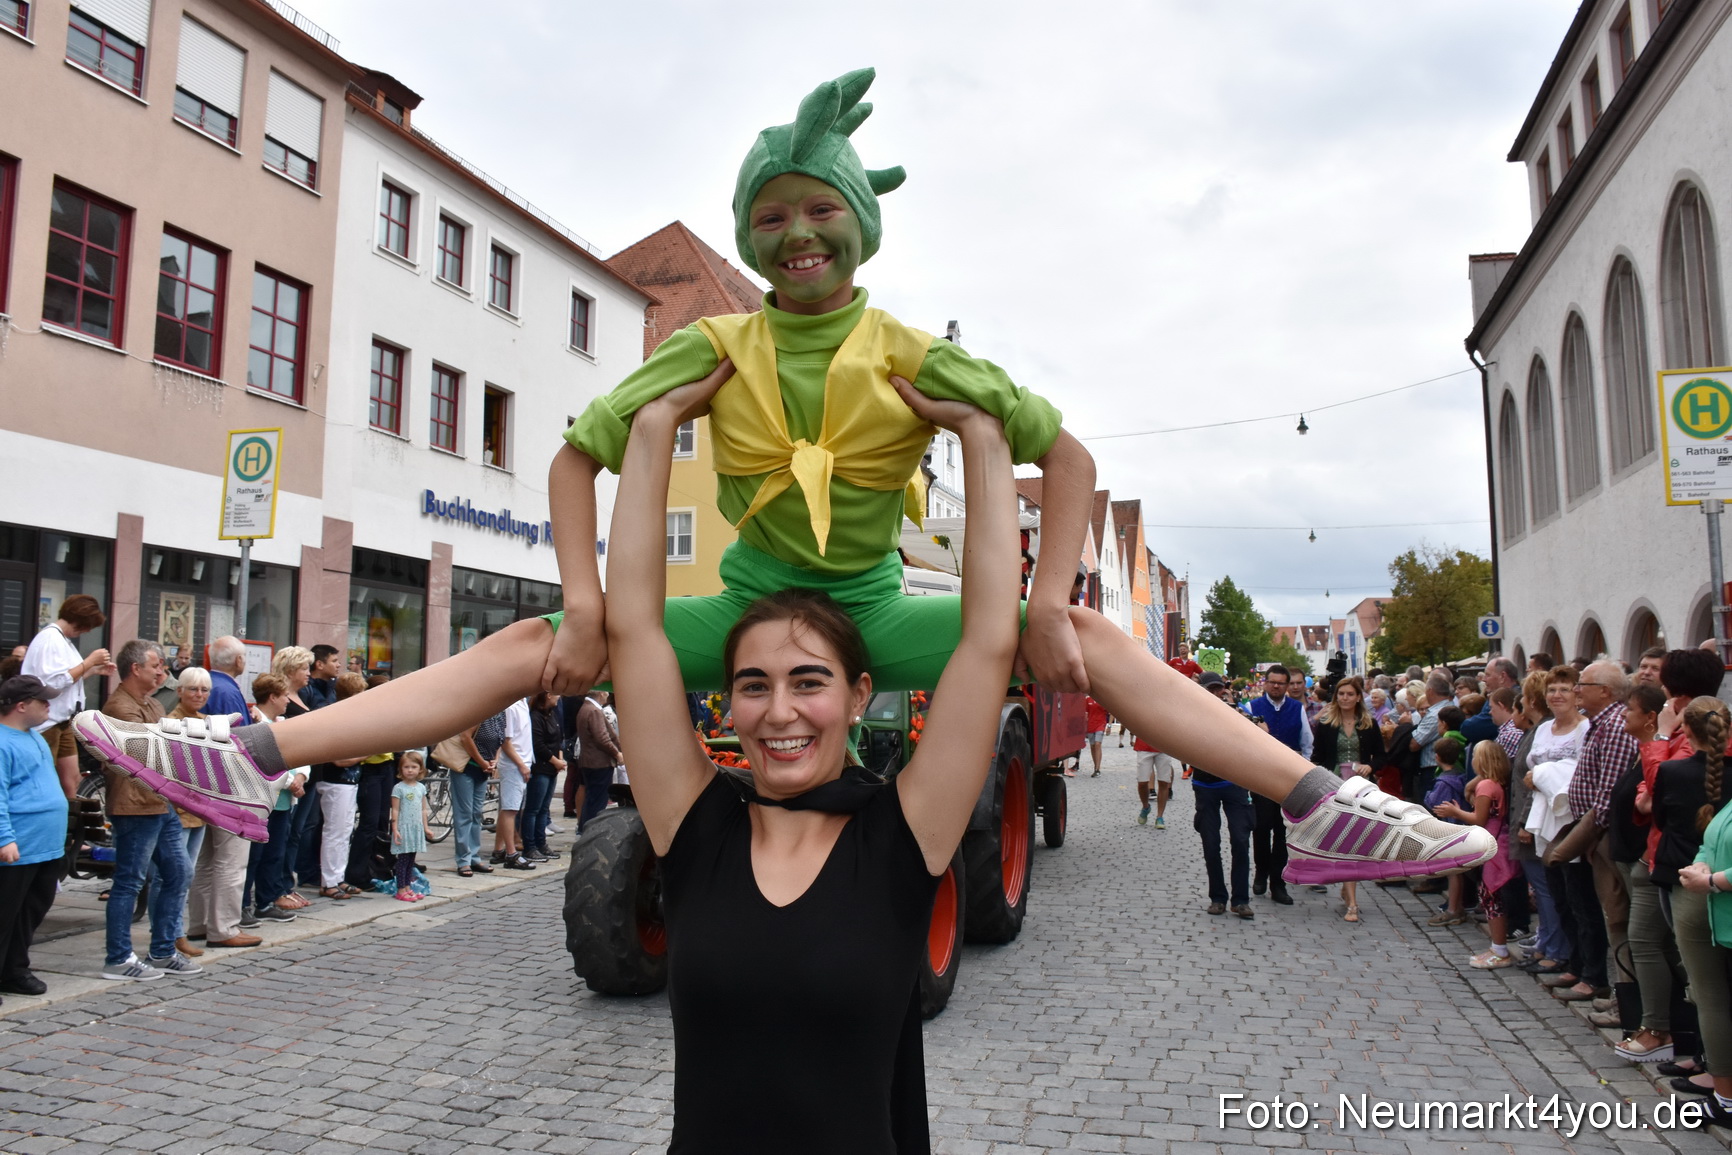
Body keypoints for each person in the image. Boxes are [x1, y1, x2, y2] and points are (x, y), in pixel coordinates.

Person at [77, 67, 1492, 893]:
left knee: (1095, 643)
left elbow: (1074, 454)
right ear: (752, 240)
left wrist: (1059, 586)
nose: (797, 234)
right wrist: (582, 593)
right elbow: (573, 453)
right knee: (528, 642)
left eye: (821, 213)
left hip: (875, 611)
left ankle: (1321, 801)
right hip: (752, 608)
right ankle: (246, 756)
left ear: (860, 230)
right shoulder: (718, 344)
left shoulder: (910, 353)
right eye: (773, 219)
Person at [602, 335, 1023, 1153]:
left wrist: (979, 437)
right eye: (754, 684)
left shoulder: (904, 836)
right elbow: (633, 628)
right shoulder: (695, 830)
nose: (779, 711)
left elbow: (987, 639)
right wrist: (654, 429)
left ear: (860, 695)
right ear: (727, 702)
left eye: (809, 681)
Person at [98, 641, 198, 981]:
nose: (162, 671)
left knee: (178, 873)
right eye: (156, 665)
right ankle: (118, 957)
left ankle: (163, 950)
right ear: (135, 668)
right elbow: (150, 748)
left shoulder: (153, 703)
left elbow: (170, 745)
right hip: (135, 806)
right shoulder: (119, 707)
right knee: (129, 881)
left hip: (159, 802)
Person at [1670, 698, 1732, 1122]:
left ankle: (1726, 1098)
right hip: (1716, 912)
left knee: (1712, 998)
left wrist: (1710, 880)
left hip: (1715, 904)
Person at [0, 676, 71, 1001]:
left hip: (46, 844)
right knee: (5, 913)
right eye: (43, 701)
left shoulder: (36, 738)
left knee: (31, 911)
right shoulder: (3, 742)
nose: (49, 705)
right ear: (21, 705)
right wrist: (4, 838)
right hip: (20, 844)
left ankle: (15, 969)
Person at [1435, 741, 1518, 967]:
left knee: (1491, 899)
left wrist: (1455, 812)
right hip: (1495, 844)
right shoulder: (1493, 783)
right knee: (1490, 898)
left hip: (1491, 848)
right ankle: (1496, 947)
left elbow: (1479, 819)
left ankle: (1500, 950)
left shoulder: (1486, 786)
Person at [21, 595, 113, 796]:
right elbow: (53, 683)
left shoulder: (60, 640)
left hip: (61, 721)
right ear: (80, 620)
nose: (88, 631)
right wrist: (89, 663)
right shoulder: (51, 639)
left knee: (72, 780)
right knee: (44, 780)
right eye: (88, 625)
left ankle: (68, 821)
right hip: (48, 722)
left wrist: (93, 670)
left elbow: (64, 680)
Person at [1311, 676, 1384, 922]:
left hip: (1361, 787)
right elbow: (1317, 757)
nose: (1345, 698)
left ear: (1358, 697)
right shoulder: (1326, 724)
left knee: (1357, 840)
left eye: (1349, 694)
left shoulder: (1368, 724)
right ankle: (1352, 901)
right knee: (1344, 840)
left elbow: (1382, 757)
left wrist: (1369, 766)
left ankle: (1348, 888)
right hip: (1335, 786)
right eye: (1341, 694)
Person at [1194, 672, 1256, 918]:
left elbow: (1258, 732)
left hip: (1234, 782)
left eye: (1219, 689)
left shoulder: (1237, 711)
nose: (1216, 694)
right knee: (1211, 843)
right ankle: (1218, 897)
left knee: (1240, 840)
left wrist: (1235, 709)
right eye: (1211, 689)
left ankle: (1240, 900)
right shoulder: (1193, 713)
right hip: (1205, 784)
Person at [243, 673, 304, 923]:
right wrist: (292, 781)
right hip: (264, 801)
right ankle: (244, 903)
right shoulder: (258, 726)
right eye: (284, 696)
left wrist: (300, 776)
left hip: (280, 802)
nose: (288, 701)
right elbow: (266, 762)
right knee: (255, 855)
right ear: (272, 697)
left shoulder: (279, 722)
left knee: (274, 853)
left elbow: (299, 753)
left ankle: (266, 900)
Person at [1246, 665, 1310, 905]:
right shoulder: (1253, 708)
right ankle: (1261, 872)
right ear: (1265, 683)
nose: (1276, 686)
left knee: (1284, 831)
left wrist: (1302, 772)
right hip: (1262, 775)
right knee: (1261, 827)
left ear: (1286, 685)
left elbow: (1306, 742)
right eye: (1272, 682)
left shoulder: (1297, 708)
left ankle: (1278, 882)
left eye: (1280, 683)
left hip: (1289, 778)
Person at [453, 712, 504, 877]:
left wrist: (494, 760)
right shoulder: (480, 711)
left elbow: (501, 741)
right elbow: (465, 737)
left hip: (483, 770)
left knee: (476, 813)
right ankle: (463, 860)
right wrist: (482, 762)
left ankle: (474, 857)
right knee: (464, 814)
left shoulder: (501, 714)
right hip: (466, 767)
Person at [491, 695, 536, 870]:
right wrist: (521, 765)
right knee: (510, 809)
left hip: (522, 762)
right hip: (514, 765)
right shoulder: (510, 707)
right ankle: (511, 854)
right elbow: (506, 742)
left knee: (509, 808)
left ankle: (499, 850)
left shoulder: (522, 703)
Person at [572, 690, 623, 830]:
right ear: (600, 694)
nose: (608, 694)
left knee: (592, 798)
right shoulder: (593, 711)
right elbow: (602, 738)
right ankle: (589, 829)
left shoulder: (588, 708)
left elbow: (608, 735)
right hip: (598, 762)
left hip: (590, 761)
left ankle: (583, 828)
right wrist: (617, 753)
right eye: (606, 692)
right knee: (597, 801)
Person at [523, 693, 565, 861]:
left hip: (552, 768)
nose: (559, 697)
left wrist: (559, 760)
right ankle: (530, 846)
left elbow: (559, 738)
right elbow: (538, 745)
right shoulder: (535, 717)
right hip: (541, 768)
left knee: (543, 808)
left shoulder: (551, 714)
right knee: (533, 809)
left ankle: (541, 844)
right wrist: (555, 761)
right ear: (547, 696)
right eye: (555, 694)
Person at [390, 752, 432, 902]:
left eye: (413, 767)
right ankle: (401, 888)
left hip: (416, 827)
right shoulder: (398, 788)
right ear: (401, 769)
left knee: (410, 860)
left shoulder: (421, 788)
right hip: (404, 827)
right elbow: (395, 809)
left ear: (420, 769)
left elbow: (423, 809)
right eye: (406, 767)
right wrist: (395, 828)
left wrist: (426, 828)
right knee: (402, 860)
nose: (410, 770)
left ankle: (408, 886)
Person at [1131, 731, 1176, 829]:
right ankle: (1146, 806)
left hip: (1164, 746)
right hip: (1144, 746)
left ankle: (1159, 816)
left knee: (1163, 782)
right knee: (1142, 782)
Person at [302, 644, 342, 711]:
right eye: (334, 661)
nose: (338, 665)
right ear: (319, 664)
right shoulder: (305, 689)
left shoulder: (333, 688)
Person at [1084, 696, 1109, 778]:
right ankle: (1095, 766)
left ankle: (1098, 768)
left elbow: (1110, 712)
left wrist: (1109, 725)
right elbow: (1086, 713)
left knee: (1097, 744)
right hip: (1091, 725)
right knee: (1092, 746)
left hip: (1100, 724)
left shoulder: (1103, 699)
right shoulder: (1088, 699)